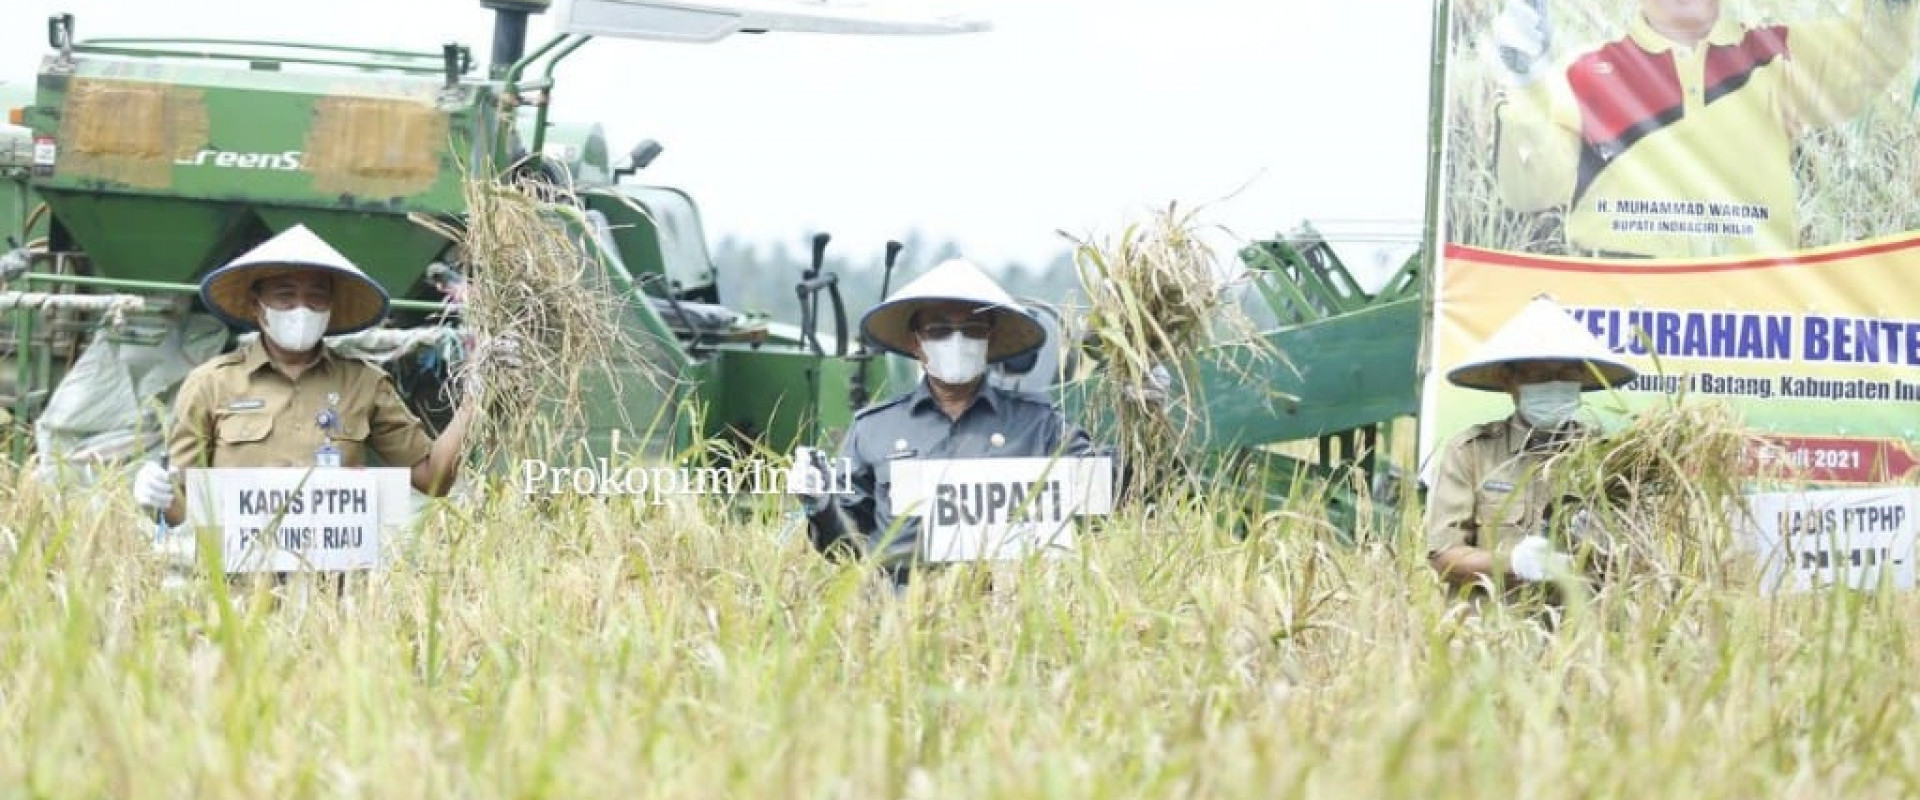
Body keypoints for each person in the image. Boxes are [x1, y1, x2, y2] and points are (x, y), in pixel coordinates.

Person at [130, 224, 512, 528]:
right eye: (285, 295)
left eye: (316, 297)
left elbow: (433, 479)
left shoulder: (363, 383)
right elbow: (184, 511)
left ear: (331, 307)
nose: (301, 308)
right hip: (236, 589)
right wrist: (157, 499)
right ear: (256, 305)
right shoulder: (212, 384)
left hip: (333, 596)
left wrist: (478, 394)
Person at [1490, 0, 1919, 258]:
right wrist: (1526, 85)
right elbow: (1531, 190)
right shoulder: (1583, 72)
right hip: (1616, 325)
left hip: (1747, 324)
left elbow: (1868, 55)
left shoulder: (1775, 56)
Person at [790, 258, 1097, 590]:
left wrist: (1142, 408)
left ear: (989, 340)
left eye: (972, 330)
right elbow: (848, 550)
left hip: (1011, 622)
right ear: (915, 342)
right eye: (939, 331)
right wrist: (820, 506)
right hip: (902, 625)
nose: (957, 341)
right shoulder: (874, 430)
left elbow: (1106, 493)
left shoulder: (1039, 424)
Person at [1423, 294, 1639, 598]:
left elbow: (1638, 563)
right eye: (1539, 374)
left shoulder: (1607, 456)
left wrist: (1605, 548)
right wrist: (1512, 563)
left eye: (1565, 374)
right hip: (1490, 634)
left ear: (1582, 378)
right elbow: (1443, 555)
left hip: (1579, 633)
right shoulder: (1471, 452)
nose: (1553, 383)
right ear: (1509, 380)